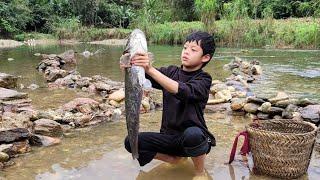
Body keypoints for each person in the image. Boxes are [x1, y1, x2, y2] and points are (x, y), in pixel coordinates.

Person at [121, 31, 216, 176]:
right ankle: (174, 160)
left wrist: (150, 69)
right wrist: (131, 65)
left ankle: (200, 172)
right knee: (131, 142)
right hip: (169, 137)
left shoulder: (204, 79)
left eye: (193, 50)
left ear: (205, 57)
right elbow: (146, 75)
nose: (186, 52)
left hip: (193, 138)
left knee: (194, 135)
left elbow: (183, 90)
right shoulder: (171, 71)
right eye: (185, 48)